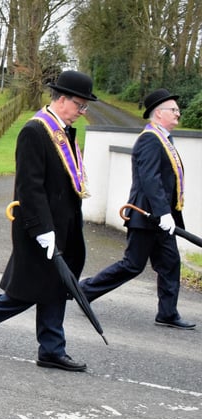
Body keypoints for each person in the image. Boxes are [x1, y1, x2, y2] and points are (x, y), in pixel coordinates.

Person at [0, 70, 97, 372]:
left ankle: (51, 349)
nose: (82, 111)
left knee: (57, 285)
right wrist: (44, 230)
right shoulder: (35, 131)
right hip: (38, 227)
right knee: (27, 290)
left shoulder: (62, 131)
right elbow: (29, 186)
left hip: (61, 226)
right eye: (79, 105)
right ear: (61, 100)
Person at [79, 89, 195, 330]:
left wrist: (169, 215)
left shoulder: (164, 139)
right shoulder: (150, 140)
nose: (178, 113)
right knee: (132, 265)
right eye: (173, 110)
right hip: (146, 216)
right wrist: (163, 212)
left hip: (161, 218)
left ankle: (167, 313)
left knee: (170, 263)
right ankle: (84, 290)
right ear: (158, 114)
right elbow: (150, 178)